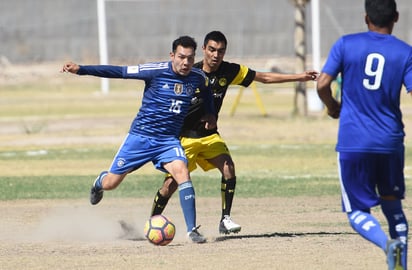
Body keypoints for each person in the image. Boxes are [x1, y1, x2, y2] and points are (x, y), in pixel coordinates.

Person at [150, 30, 319, 234]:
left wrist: (300, 76)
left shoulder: (229, 71)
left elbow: (264, 77)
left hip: (209, 136)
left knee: (228, 166)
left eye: (220, 51)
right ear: (203, 49)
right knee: (169, 186)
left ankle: (225, 219)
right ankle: (152, 222)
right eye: (211, 50)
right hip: (184, 138)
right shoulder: (190, 73)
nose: (215, 55)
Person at [61, 35, 217, 244]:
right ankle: (99, 182)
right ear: (172, 55)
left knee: (182, 172)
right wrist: (82, 69)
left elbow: (207, 91)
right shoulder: (155, 71)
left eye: (190, 58)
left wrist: (211, 113)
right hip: (140, 138)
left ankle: (192, 230)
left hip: (168, 141)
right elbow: (119, 72)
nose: (186, 63)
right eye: (181, 57)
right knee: (111, 183)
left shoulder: (198, 77)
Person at [316, 0, 412, 269]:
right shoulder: (405, 52)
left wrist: (332, 106)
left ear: (365, 17)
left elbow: (323, 83)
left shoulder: (346, 44)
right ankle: (400, 264)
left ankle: (386, 245)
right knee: (393, 208)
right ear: (396, 17)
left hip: (354, 142)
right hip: (390, 142)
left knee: (357, 211)